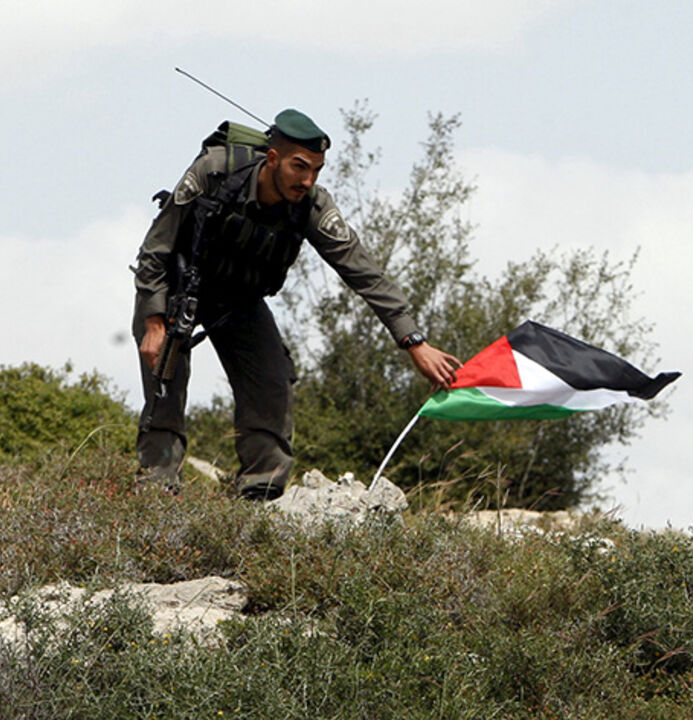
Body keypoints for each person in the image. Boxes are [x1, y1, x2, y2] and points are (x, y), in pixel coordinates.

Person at [132, 109, 460, 500]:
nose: (307, 180)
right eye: (299, 167)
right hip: (177, 287)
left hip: (240, 301)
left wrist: (414, 341)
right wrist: (154, 320)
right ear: (272, 159)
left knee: (273, 388)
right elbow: (156, 247)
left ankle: (257, 500)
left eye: (316, 170)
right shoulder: (216, 171)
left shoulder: (312, 206)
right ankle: (155, 496)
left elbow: (365, 273)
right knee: (165, 389)